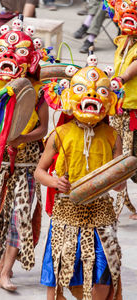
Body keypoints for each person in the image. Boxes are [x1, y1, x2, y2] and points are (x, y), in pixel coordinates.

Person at [34, 64, 125, 299]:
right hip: (67, 209)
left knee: (105, 269)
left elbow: (119, 179)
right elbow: (39, 172)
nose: (92, 97)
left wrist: (119, 183)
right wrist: (55, 183)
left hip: (101, 211)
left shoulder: (113, 137)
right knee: (58, 269)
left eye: (100, 93)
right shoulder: (60, 133)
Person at [0, 23, 49, 291]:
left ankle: (6, 272)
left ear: (28, 63)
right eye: (4, 54)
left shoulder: (36, 92)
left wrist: (22, 139)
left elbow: (42, 129)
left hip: (26, 166)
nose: (8, 61)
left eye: (15, 56)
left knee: (19, 217)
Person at [104, 0, 137, 220]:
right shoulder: (124, 41)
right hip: (118, 108)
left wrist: (122, 78)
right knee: (117, 157)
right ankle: (119, 204)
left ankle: (117, 209)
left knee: (130, 158)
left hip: (133, 111)